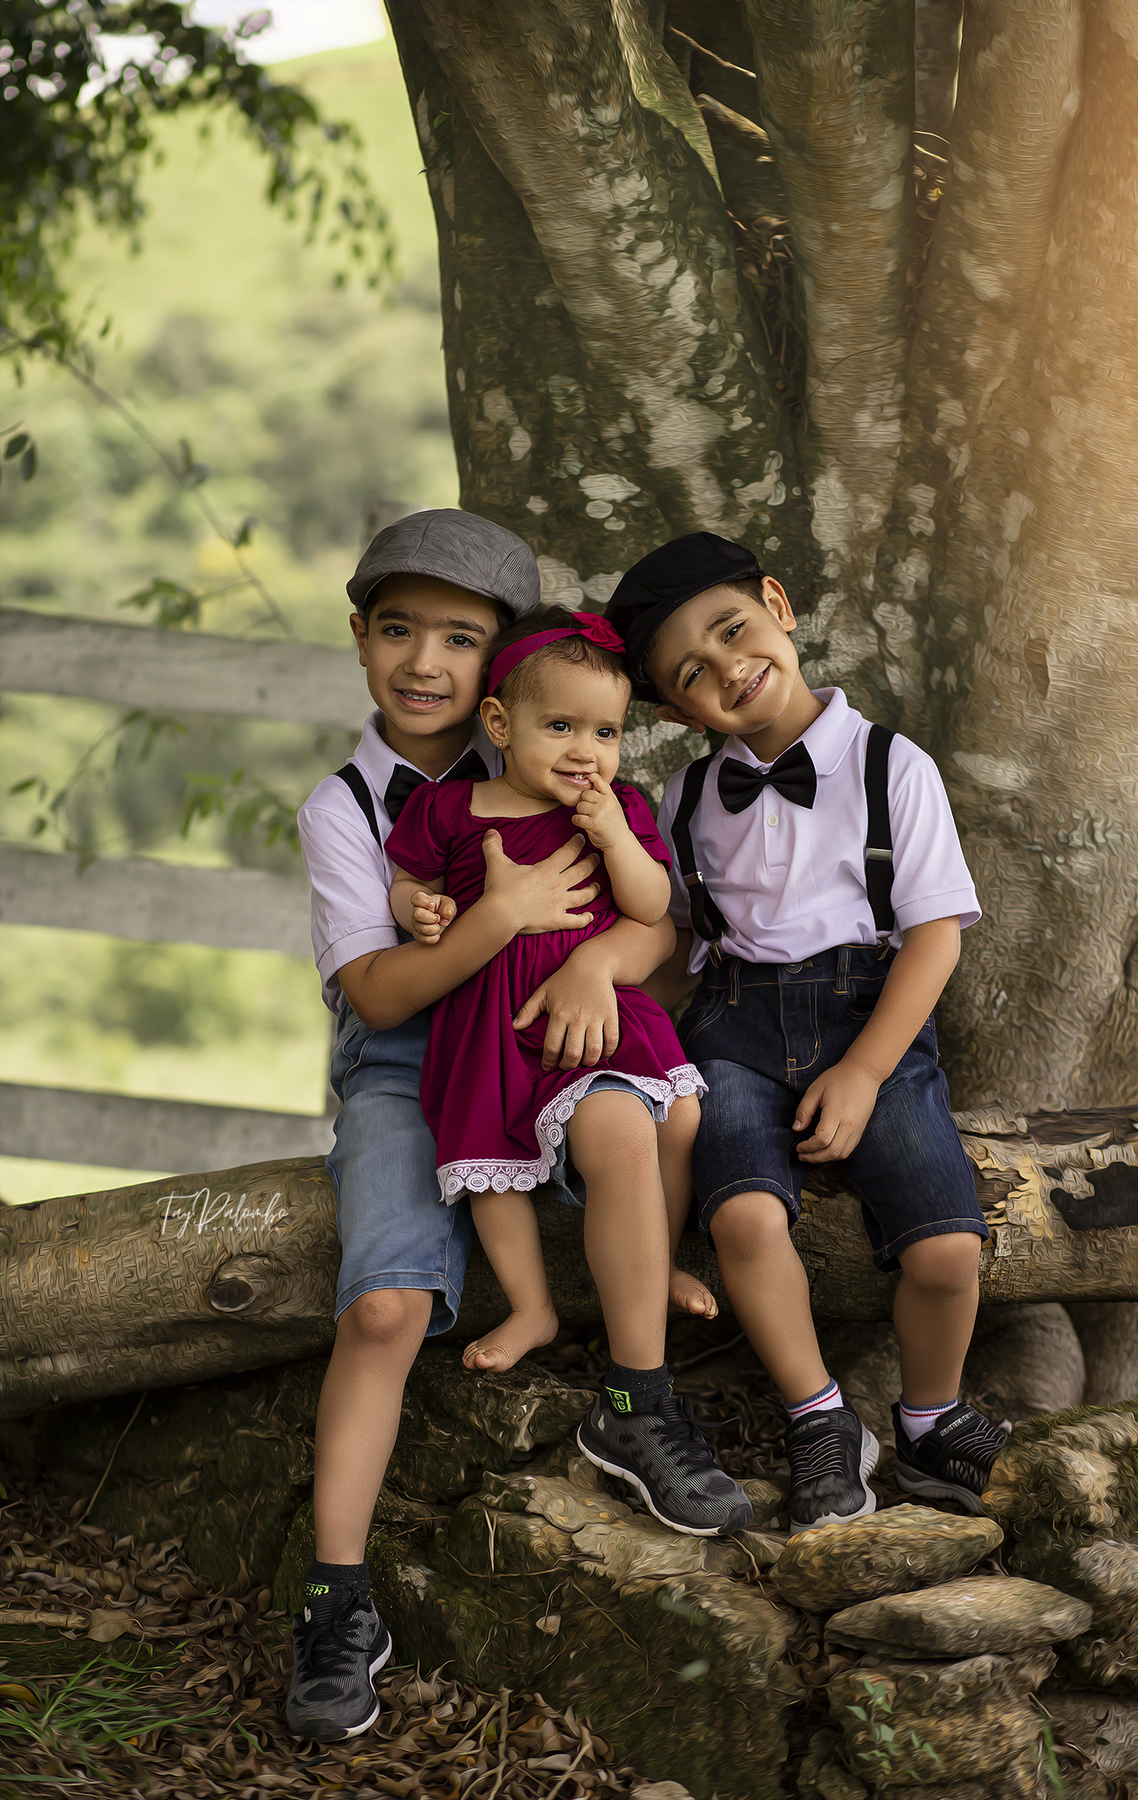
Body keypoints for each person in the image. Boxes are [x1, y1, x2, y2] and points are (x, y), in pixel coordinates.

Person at [288, 511, 689, 1743]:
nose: (424, 663)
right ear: (360, 639)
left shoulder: (565, 761)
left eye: (459, 639)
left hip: (548, 1038)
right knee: (386, 1304)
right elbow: (379, 993)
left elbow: (653, 924)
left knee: (634, 1122)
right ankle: (335, 1601)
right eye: (397, 629)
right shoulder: (349, 808)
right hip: (410, 1063)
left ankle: (642, 1403)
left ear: (501, 664)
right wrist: (496, 917)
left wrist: (589, 976)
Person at [606, 531, 1007, 1537]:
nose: (726, 668)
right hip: (734, 1028)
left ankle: (928, 1418)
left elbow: (932, 941)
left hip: (870, 1019)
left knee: (950, 1247)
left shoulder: (890, 766)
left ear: (778, 606)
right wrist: (592, 977)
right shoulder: (687, 796)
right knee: (742, 1218)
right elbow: (676, 928)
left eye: (733, 629)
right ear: (672, 712)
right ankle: (821, 1421)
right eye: (691, 673)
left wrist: (868, 1071)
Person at [383, 606, 749, 1526]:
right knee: (493, 1168)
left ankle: (650, 1286)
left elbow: (652, 903)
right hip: (494, 1024)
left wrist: (616, 834)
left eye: (607, 732)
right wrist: (420, 911)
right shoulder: (448, 808)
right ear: (500, 726)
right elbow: (408, 878)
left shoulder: (617, 809)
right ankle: (534, 1307)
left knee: (665, 1121)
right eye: (561, 728)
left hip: (599, 1023)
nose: (586, 749)